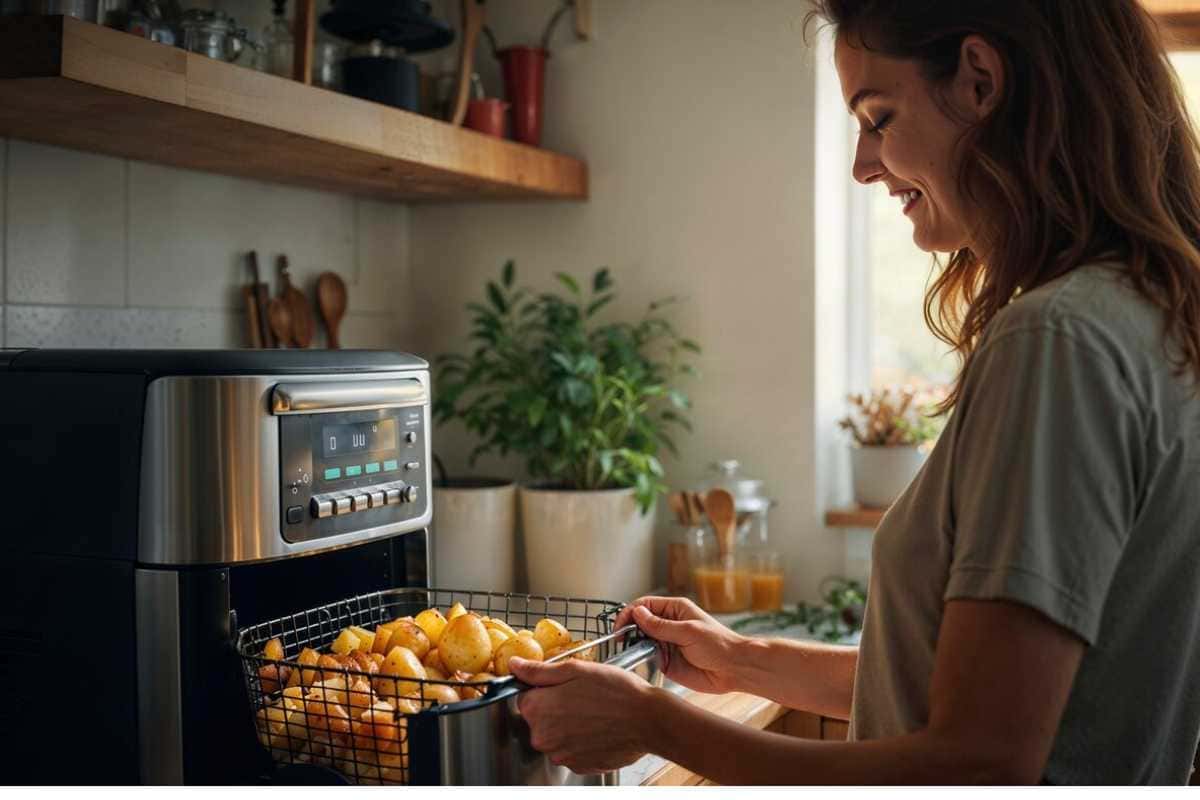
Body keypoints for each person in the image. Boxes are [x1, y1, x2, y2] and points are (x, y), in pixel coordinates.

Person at [508, 0, 1200, 785]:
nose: (863, 164)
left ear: (980, 81)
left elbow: (976, 765)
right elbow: (975, 694)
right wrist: (743, 659)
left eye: (879, 117)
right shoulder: (1150, 317)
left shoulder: (1058, 342)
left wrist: (655, 725)